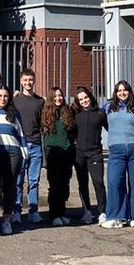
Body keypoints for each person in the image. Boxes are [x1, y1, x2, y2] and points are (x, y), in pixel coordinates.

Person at [101, 80, 134, 228]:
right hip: (116, 151)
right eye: (119, 90)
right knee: (115, 182)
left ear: (129, 91)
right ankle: (116, 215)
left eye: (125, 90)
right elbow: (101, 122)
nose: (122, 93)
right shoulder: (108, 107)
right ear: (115, 92)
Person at [0, 87, 26, 235]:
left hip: (13, 154)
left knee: (10, 186)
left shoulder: (14, 114)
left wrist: (24, 149)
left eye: (6, 96)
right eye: (0, 95)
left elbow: (21, 134)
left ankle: (7, 219)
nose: (3, 98)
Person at [12, 68, 45, 224]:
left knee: (34, 180)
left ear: (34, 80)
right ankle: (16, 211)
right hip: (20, 145)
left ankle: (33, 211)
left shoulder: (40, 101)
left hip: (36, 144)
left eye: (30, 80)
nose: (28, 83)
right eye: (25, 80)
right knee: (18, 180)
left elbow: (43, 123)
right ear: (21, 81)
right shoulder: (15, 100)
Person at [41, 86, 76, 226]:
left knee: (65, 185)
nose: (58, 98)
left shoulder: (67, 111)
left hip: (66, 152)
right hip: (53, 152)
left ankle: (62, 213)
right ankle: (54, 215)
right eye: (55, 96)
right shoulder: (46, 113)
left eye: (60, 95)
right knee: (54, 186)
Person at [72, 86, 107, 225]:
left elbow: (111, 128)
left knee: (98, 182)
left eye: (85, 97)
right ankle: (87, 211)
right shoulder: (75, 114)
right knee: (82, 183)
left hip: (95, 153)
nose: (84, 101)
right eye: (81, 99)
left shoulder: (100, 113)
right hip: (79, 154)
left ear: (90, 97)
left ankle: (102, 212)